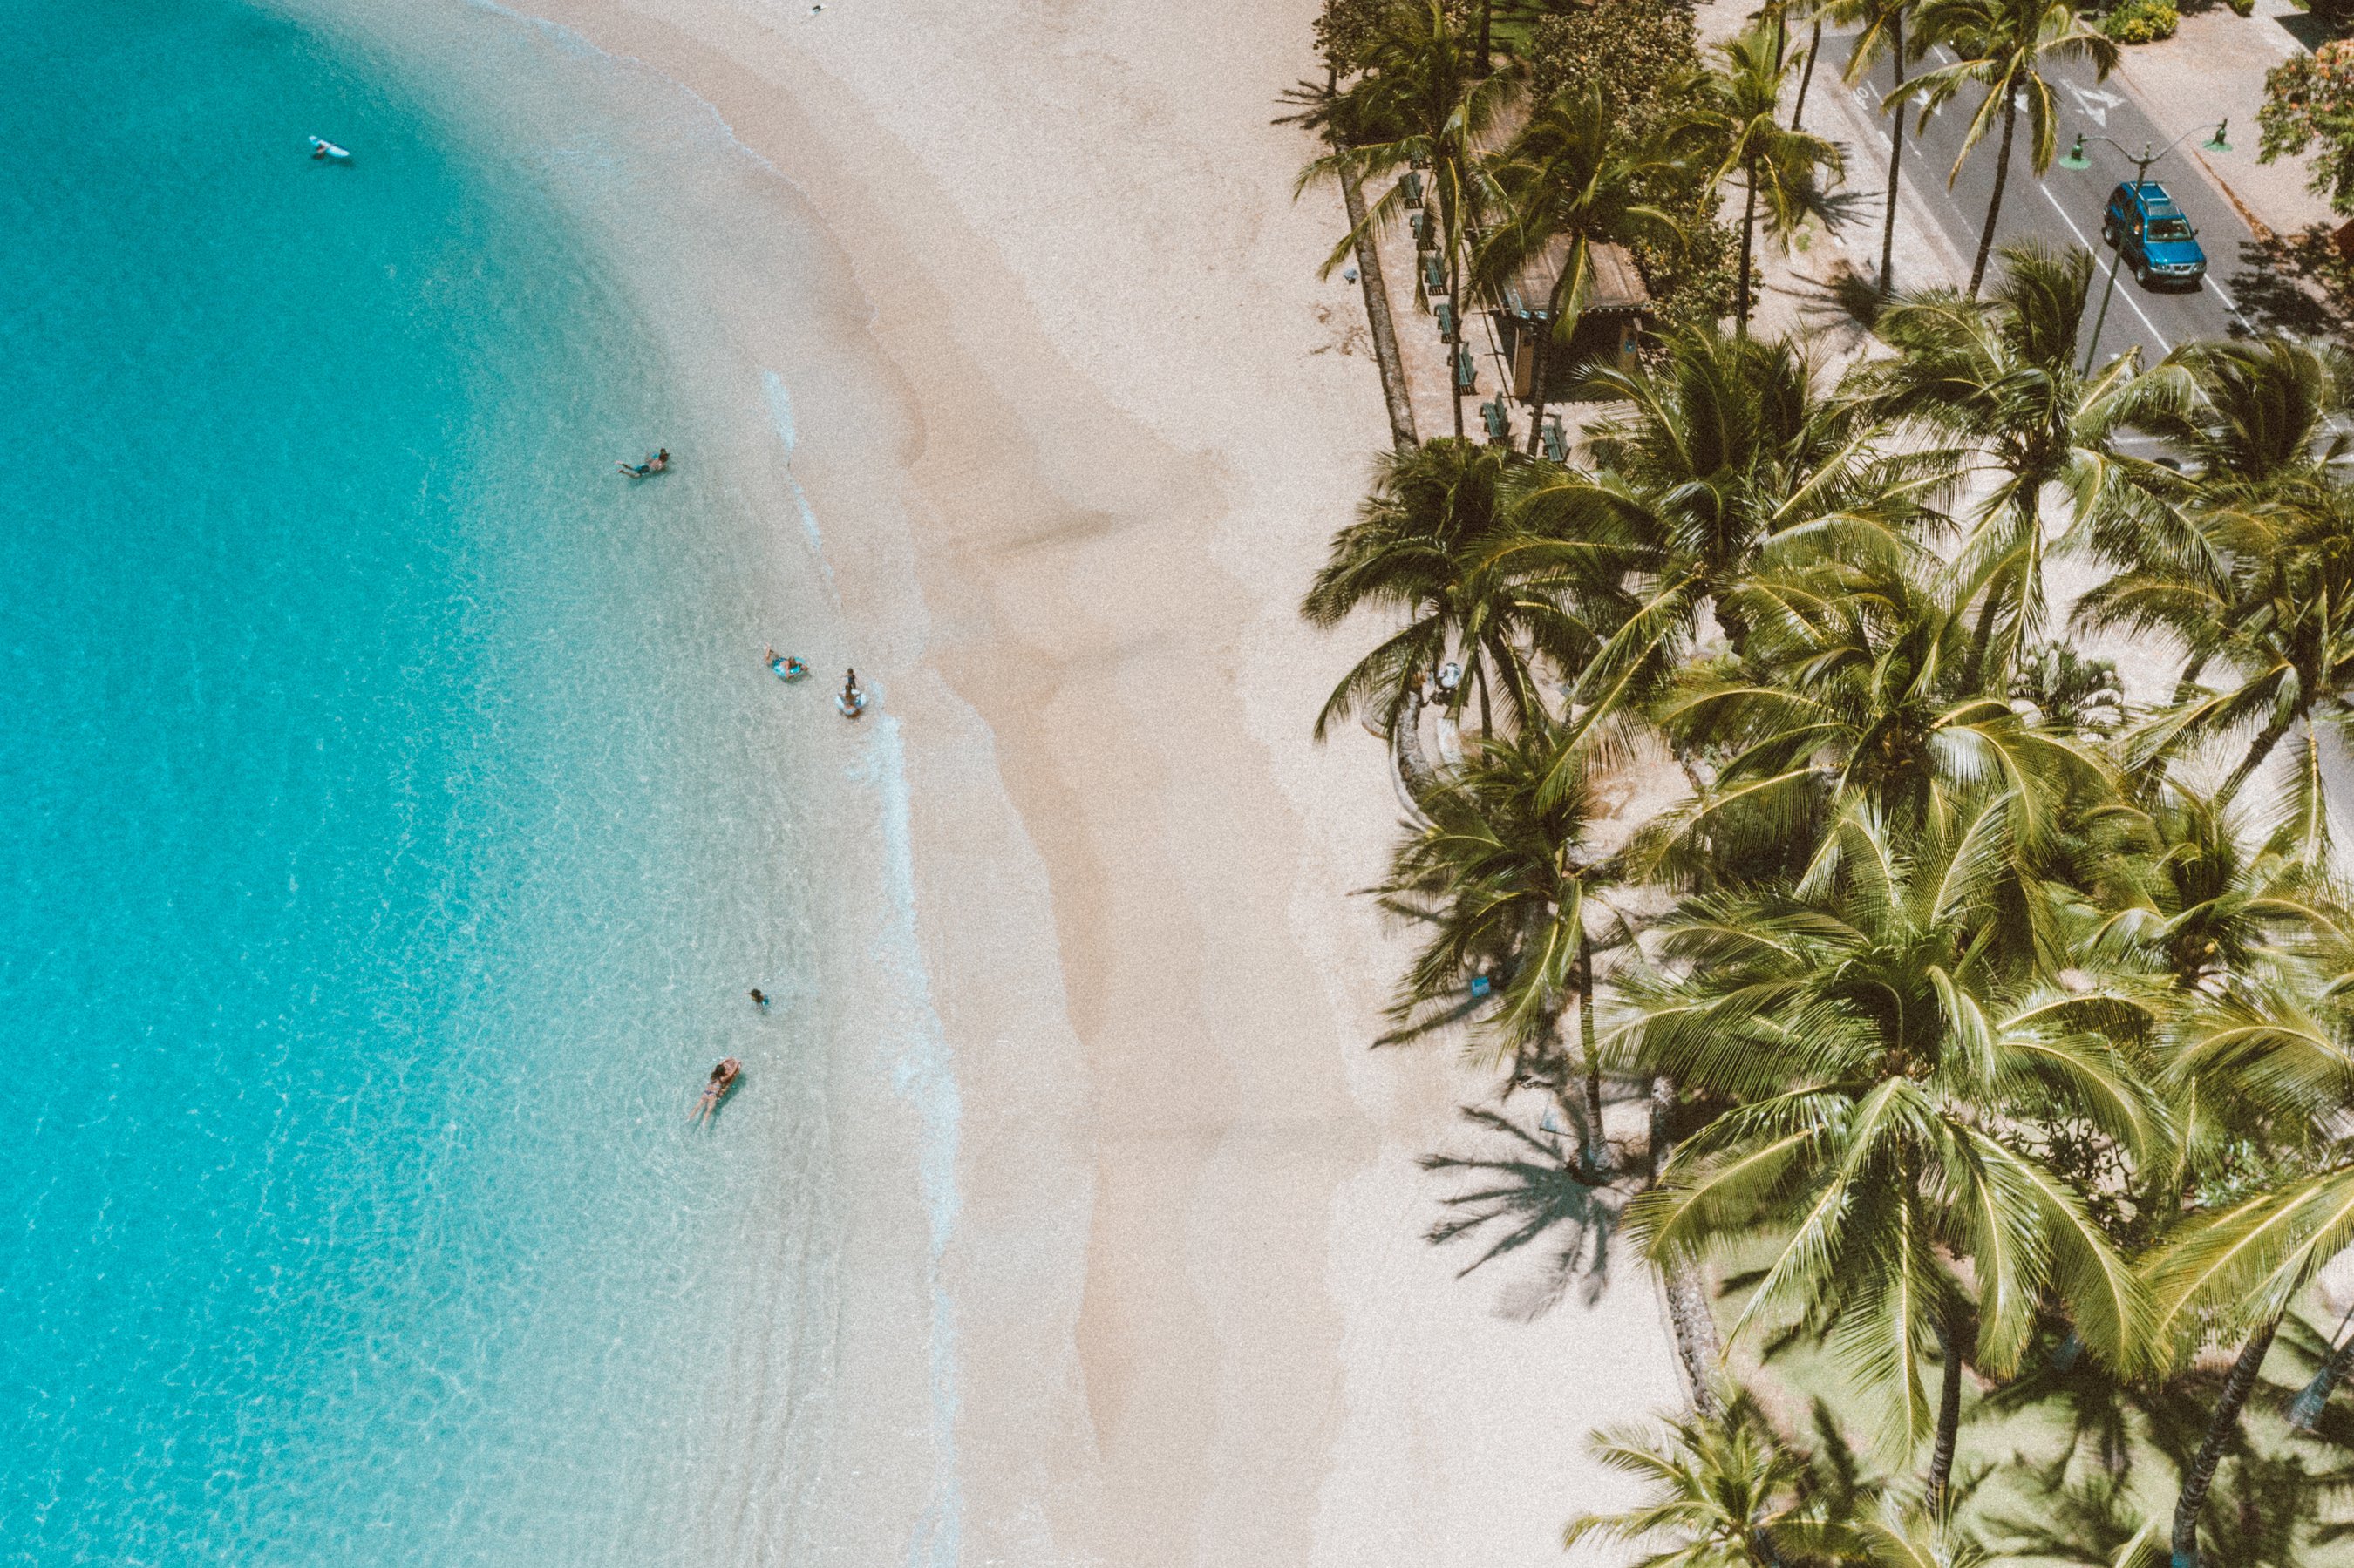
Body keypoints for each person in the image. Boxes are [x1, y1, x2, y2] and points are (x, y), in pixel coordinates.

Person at [691, 1057, 742, 1125]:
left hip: (706, 1093)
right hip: (713, 1095)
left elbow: (717, 1067)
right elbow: (731, 1073)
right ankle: (703, 1124)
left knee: (697, 1107)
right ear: (723, 1072)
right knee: (708, 1111)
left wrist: (724, 1060)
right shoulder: (722, 1078)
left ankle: (688, 1118)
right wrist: (737, 1063)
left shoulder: (713, 1075)